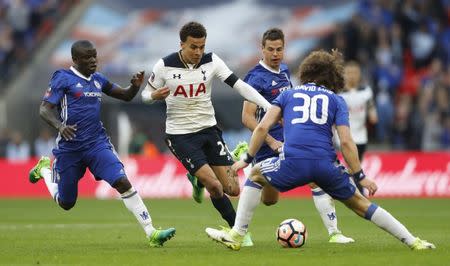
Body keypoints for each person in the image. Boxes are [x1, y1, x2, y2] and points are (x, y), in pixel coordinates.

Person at [205, 49, 435, 251]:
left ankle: (237, 235)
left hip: (293, 162)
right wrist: (360, 176)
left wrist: (246, 159)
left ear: (306, 72)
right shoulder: (336, 100)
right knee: (362, 205)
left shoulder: (287, 94)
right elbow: (346, 142)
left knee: (255, 175)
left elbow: (263, 126)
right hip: (326, 164)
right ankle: (412, 241)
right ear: (334, 77)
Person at [28, 40, 175, 247]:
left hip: (97, 144)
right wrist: (60, 127)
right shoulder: (63, 78)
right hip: (70, 148)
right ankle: (44, 170)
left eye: (94, 56)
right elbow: (45, 108)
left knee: (122, 181)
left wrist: (134, 86)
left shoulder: (98, 79)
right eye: (87, 57)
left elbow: (124, 96)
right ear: (75, 59)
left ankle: (151, 232)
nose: (93, 61)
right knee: (66, 202)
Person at [141, 21, 271, 245]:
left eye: (201, 46)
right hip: (180, 135)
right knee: (216, 187)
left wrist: (268, 107)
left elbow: (238, 85)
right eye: (193, 47)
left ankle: (196, 178)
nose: (198, 52)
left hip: (209, 131)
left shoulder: (212, 61)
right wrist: (154, 97)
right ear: (181, 44)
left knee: (233, 189)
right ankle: (238, 233)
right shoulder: (164, 66)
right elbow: (145, 94)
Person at [235, 28, 353, 244]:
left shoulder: (285, 71)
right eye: (270, 49)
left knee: (316, 180)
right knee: (270, 200)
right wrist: (271, 141)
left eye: (279, 49)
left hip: (290, 142)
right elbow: (247, 117)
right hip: (267, 144)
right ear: (262, 49)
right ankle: (248, 159)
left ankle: (335, 233)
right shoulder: (255, 78)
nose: (275, 54)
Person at [338, 61, 378, 194]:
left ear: (359, 74)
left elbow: (371, 109)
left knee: (354, 168)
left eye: (355, 73)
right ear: (344, 75)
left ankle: (353, 194)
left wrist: (373, 115)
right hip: (344, 137)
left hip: (361, 136)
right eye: (349, 73)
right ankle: (360, 195)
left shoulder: (366, 91)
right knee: (353, 168)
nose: (352, 76)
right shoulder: (339, 93)